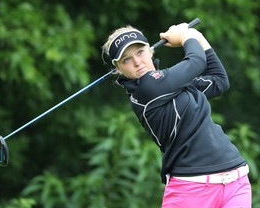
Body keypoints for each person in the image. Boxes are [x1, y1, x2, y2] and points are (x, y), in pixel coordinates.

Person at [102, 22, 252, 207]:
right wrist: (185, 36)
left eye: (140, 52)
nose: (137, 62)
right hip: (191, 190)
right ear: (118, 69)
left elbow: (220, 81)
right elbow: (196, 61)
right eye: (126, 60)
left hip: (235, 182)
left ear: (150, 51)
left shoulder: (173, 84)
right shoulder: (145, 90)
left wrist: (196, 36)